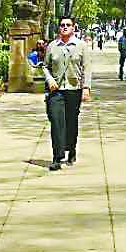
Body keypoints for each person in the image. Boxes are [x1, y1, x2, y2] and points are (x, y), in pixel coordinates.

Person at [42, 17, 92, 171]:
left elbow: (87, 68)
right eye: (62, 25)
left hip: (74, 89)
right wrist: (49, 79)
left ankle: (71, 148)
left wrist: (86, 88)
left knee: (71, 122)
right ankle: (57, 156)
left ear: (73, 28)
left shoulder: (81, 46)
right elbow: (45, 66)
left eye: (68, 25)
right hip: (56, 91)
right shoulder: (52, 46)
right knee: (56, 121)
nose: (65, 27)